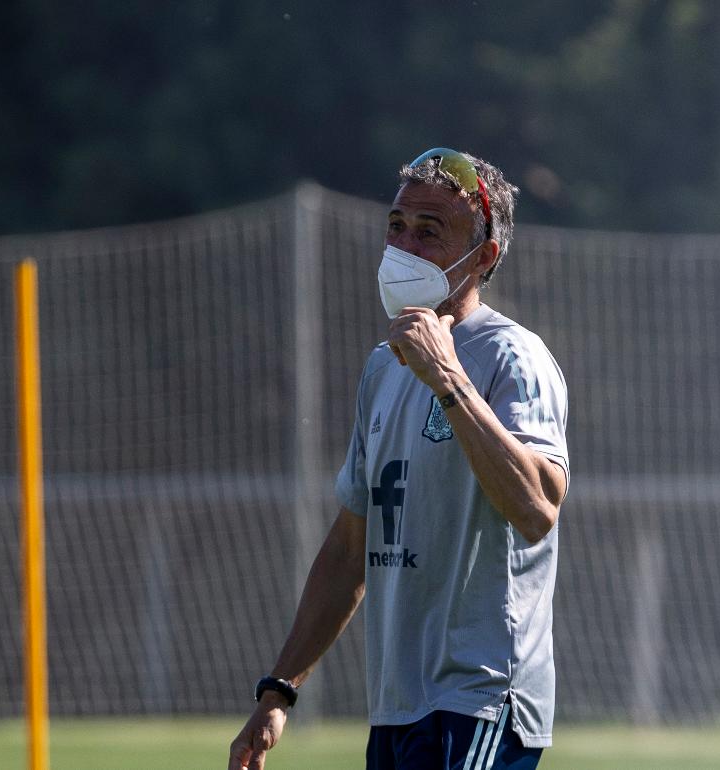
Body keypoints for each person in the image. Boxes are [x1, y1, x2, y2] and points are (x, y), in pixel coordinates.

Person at [229, 148, 569, 770]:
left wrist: (449, 379)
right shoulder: (383, 367)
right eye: (396, 226)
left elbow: (538, 507)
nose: (405, 245)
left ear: (485, 255)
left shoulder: (512, 356)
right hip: (397, 705)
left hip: (482, 699)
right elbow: (349, 547)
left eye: (430, 231)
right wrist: (280, 690)